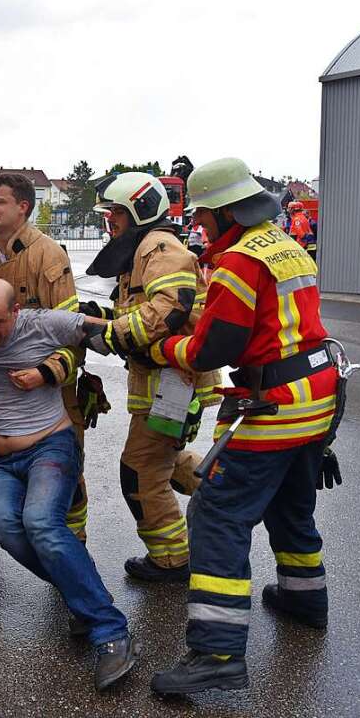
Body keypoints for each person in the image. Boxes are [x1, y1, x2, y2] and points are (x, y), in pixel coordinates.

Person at [145, 158, 339, 694]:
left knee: (216, 515)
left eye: (204, 216)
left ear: (223, 211)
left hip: (274, 404)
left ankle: (217, 651)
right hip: (317, 397)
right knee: (290, 503)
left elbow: (216, 348)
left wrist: (167, 346)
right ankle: (304, 597)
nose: (201, 226)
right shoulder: (284, 244)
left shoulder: (236, 263)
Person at [0, 278, 139, 692]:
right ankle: (83, 596)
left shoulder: (43, 324)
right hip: (4, 460)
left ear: (16, 313)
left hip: (50, 448)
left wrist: (49, 370)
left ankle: (111, 632)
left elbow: (98, 329)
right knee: (3, 526)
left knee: (40, 522)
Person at [81, 172, 221, 582]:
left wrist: (109, 333)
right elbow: (137, 311)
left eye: (116, 215)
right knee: (161, 461)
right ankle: (223, 490)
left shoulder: (160, 248)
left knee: (140, 472)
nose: (111, 224)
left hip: (172, 383)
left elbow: (169, 307)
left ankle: (173, 559)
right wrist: (94, 315)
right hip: (160, 384)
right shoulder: (143, 251)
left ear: (139, 209)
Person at [0, 173, 91, 570]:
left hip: (47, 389)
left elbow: (72, 331)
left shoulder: (49, 256)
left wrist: (48, 372)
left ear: (22, 207)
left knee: (68, 480)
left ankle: (74, 550)